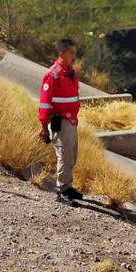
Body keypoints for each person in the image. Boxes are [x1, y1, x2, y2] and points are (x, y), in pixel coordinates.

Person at [38, 38, 82, 204]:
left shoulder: (71, 73)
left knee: (72, 155)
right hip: (61, 121)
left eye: (75, 53)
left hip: (72, 121)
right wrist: (44, 127)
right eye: (71, 53)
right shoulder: (52, 75)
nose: (74, 57)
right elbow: (44, 103)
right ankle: (62, 191)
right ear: (61, 53)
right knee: (64, 155)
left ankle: (68, 187)